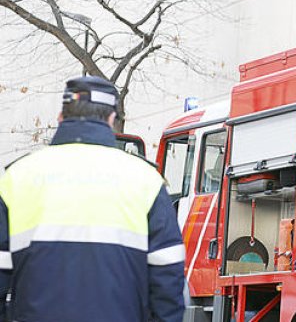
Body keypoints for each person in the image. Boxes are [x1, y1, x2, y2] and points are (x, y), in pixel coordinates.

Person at [0, 75, 186, 322]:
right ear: (111, 119)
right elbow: (167, 279)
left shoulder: (17, 178)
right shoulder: (146, 181)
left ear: (61, 116)